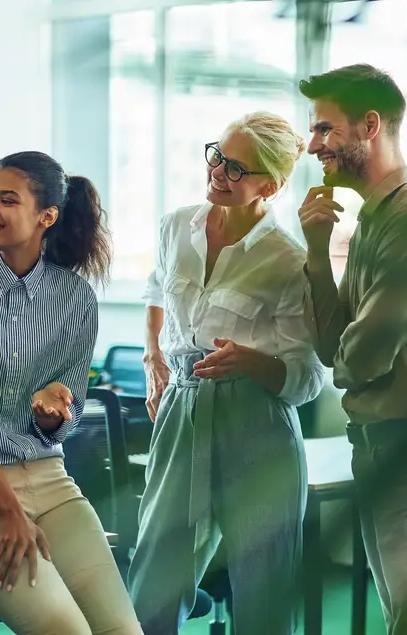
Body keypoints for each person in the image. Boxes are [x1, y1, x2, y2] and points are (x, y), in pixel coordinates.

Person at [0, 150, 142, 635]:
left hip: (51, 482)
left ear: (47, 216)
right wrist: (9, 510)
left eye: (6, 199)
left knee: (123, 631)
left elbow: (69, 409)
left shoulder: (76, 298)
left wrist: (54, 413)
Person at [128, 112, 326, 634]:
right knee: (155, 565)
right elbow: (155, 291)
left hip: (256, 418)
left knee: (263, 577)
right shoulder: (175, 226)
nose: (218, 170)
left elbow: (308, 379)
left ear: (272, 184)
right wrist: (154, 356)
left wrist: (253, 362)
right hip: (182, 407)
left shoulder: (287, 259)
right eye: (217, 155)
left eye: (237, 168)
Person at [297, 64, 407, 635]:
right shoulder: (374, 220)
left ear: (370, 125)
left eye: (325, 128)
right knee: (406, 619)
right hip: (377, 445)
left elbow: (365, 353)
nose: (312, 144)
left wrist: (351, 355)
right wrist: (319, 250)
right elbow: (332, 347)